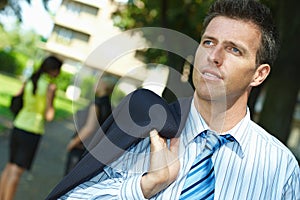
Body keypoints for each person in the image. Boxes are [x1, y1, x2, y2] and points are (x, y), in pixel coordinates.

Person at [47, 0, 300, 199]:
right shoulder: (142, 130)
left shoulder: (280, 168)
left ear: (259, 74)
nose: (214, 56)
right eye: (209, 42)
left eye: (234, 49)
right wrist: (144, 186)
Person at [0, 55, 62, 200]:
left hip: (18, 126)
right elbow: (49, 116)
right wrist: (50, 98)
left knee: (9, 167)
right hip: (32, 131)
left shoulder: (30, 80)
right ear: (53, 70)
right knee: (16, 172)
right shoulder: (50, 87)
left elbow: (16, 98)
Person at [64, 75, 117, 175]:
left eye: (98, 82)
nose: (94, 84)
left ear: (104, 85)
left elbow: (89, 128)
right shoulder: (110, 106)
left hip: (81, 149)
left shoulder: (96, 104)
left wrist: (73, 143)